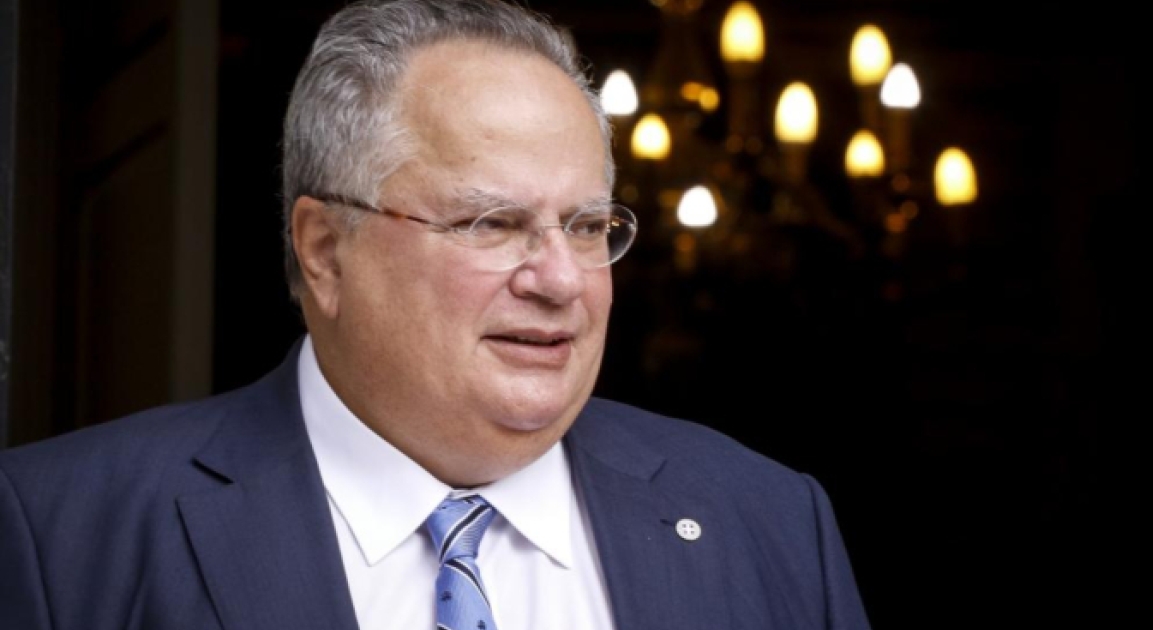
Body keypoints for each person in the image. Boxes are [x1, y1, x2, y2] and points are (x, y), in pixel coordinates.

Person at [0, 1, 872, 628]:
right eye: (490, 223)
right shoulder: (58, 535)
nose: (561, 280)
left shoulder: (769, 519)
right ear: (324, 249)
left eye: (586, 226)